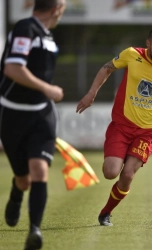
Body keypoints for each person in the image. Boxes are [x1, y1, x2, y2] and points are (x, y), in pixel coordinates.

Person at [76, 27, 152, 226]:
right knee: (111, 172)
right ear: (148, 44)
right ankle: (119, 156)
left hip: (147, 132)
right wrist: (92, 93)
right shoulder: (131, 54)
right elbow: (107, 68)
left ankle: (106, 213)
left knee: (127, 175)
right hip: (122, 125)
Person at [0, 0, 66, 249]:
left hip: (42, 115)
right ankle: (17, 193)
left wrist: (45, 94)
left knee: (40, 170)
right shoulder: (25, 28)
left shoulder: (48, 36)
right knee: (24, 179)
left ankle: (35, 231)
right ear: (57, 8)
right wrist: (48, 89)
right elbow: (13, 69)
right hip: (13, 115)